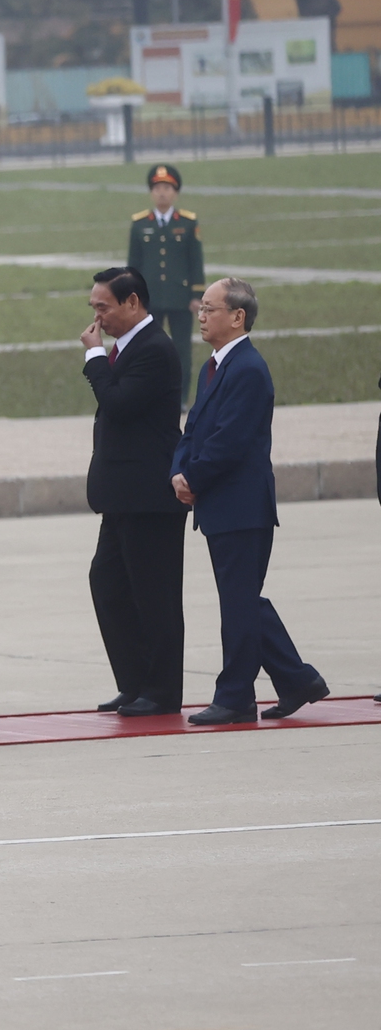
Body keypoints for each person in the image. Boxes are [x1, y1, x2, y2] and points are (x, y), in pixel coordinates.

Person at [173, 279, 329, 725]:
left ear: (237, 317)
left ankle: (236, 697)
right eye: (201, 309)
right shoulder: (215, 367)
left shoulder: (247, 369)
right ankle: (298, 680)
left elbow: (230, 443)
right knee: (243, 601)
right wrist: (177, 472)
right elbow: (195, 430)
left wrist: (193, 477)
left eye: (209, 309)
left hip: (242, 505)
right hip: (221, 503)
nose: (200, 316)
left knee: (239, 604)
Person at [81, 266, 186, 717]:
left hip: (149, 498)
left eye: (103, 306)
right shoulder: (129, 348)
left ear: (133, 303)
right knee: (108, 584)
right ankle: (135, 682)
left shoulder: (154, 349)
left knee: (154, 595)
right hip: (122, 496)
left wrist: (94, 358)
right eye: (94, 308)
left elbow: (119, 405)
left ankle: (161, 691)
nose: (97, 316)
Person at [128, 163, 205, 404]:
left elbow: (196, 261)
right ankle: (152, 397)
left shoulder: (189, 223)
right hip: (149, 299)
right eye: (158, 187)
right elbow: (134, 264)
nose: (162, 192)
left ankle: (180, 397)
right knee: (148, 350)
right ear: (151, 192)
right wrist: (133, 297)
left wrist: (196, 294)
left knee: (181, 350)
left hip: (180, 298)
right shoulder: (140, 224)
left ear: (176, 192)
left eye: (167, 188)